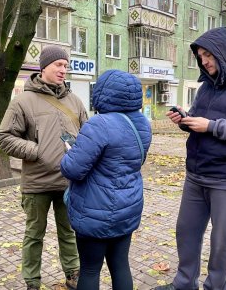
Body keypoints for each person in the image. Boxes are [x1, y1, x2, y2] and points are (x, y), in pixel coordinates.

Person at [154, 27, 226, 290]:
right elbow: (201, 120)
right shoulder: (206, 85)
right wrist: (185, 121)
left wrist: (212, 126)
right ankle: (185, 284)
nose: (204, 61)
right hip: (196, 174)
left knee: (222, 244)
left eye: (208, 55)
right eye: (200, 56)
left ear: (225, 53)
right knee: (186, 233)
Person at [0, 45, 87, 290]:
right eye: (58, 64)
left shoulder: (75, 101)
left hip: (68, 182)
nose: (63, 70)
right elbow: (5, 137)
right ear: (44, 66)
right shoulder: (23, 101)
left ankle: (73, 274)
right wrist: (37, 151)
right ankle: (32, 281)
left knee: (68, 233)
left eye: (66, 66)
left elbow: (87, 134)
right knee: (34, 235)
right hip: (36, 183)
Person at [60, 69, 152, 290]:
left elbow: (72, 169)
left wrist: (70, 151)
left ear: (102, 93)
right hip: (127, 207)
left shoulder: (99, 124)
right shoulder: (143, 123)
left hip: (95, 211)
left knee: (90, 269)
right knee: (120, 265)